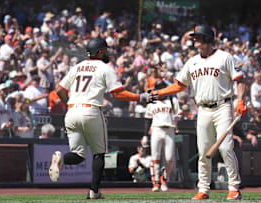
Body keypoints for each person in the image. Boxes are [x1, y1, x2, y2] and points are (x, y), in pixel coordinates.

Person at [150, 25, 247, 200]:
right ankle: (203, 189)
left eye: (198, 37)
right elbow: (180, 85)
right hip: (202, 109)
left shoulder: (224, 57)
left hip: (223, 106)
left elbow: (239, 79)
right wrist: (160, 93)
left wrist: (240, 100)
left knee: (225, 148)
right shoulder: (192, 61)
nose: (194, 40)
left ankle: (234, 187)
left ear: (208, 39)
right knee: (203, 151)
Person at [48, 38, 151, 200]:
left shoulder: (77, 67)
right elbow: (118, 93)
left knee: (78, 155)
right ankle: (94, 192)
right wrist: (139, 97)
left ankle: (60, 159)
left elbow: (59, 90)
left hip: (72, 111)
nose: (108, 52)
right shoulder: (105, 68)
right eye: (106, 50)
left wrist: (69, 104)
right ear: (100, 51)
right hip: (91, 111)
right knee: (99, 154)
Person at [142, 80, 181, 192]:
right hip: (156, 129)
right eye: (158, 87)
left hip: (169, 129)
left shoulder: (172, 99)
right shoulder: (152, 101)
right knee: (156, 157)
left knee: (169, 159)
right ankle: (156, 183)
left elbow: (178, 113)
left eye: (162, 87)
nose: (160, 89)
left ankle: (164, 178)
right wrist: (145, 135)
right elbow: (148, 119)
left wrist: (178, 119)